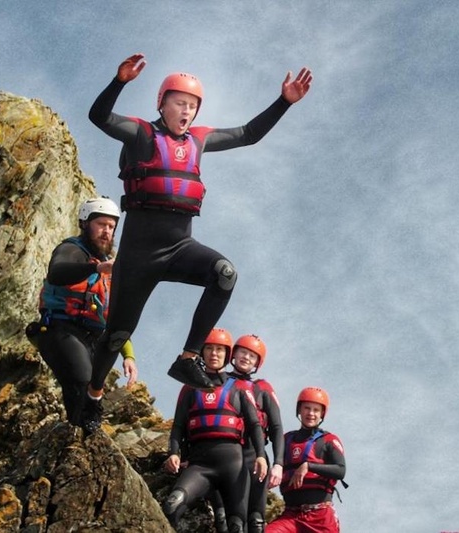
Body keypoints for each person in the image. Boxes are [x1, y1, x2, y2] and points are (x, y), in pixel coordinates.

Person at [81, 52, 313, 432]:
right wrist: (119, 81)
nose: (186, 111)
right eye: (179, 103)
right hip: (139, 257)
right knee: (117, 335)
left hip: (179, 248)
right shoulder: (141, 133)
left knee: (225, 274)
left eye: (192, 105)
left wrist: (284, 102)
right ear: (162, 103)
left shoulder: (200, 140)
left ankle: (188, 357)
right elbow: (99, 117)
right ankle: (92, 395)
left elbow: (248, 134)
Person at [27, 196, 137, 433]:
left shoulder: (109, 265)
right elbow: (57, 273)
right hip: (60, 330)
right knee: (83, 383)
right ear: (86, 223)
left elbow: (115, 315)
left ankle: (77, 436)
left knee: (89, 391)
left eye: (111, 227)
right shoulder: (72, 249)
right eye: (101, 225)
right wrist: (96, 268)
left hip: (93, 338)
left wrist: (128, 355)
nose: (107, 232)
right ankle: (82, 438)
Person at [162, 328, 269, 533]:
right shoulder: (190, 389)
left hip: (234, 466)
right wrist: (173, 453)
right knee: (172, 505)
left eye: (219, 349)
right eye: (209, 348)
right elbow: (178, 426)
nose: (214, 353)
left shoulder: (238, 389)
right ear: (202, 353)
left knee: (236, 526)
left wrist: (261, 456)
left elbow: (255, 425)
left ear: (227, 355)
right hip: (200, 465)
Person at [209, 334, 284, 533]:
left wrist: (278, 464)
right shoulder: (217, 382)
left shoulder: (262, 388)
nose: (246, 357)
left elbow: (276, 427)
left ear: (257, 363)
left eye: (252, 356)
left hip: (253, 454)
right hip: (223, 453)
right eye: (243, 352)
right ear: (233, 353)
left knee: (256, 518)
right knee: (224, 517)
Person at [266, 387, 347, 533]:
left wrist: (308, 466)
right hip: (291, 516)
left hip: (321, 518)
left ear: (322, 414)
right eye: (307, 408)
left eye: (316, 410)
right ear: (299, 410)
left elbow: (341, 470)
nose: (311, 413)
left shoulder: (329, 440)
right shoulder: (286, 440)